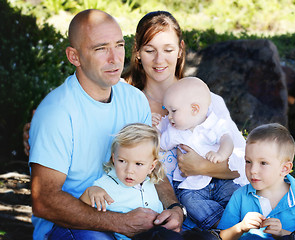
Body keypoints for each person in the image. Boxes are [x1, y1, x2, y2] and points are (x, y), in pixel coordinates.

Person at [29, 9, 183, 240]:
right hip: (73, 226)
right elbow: (45, 201)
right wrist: (119, 223)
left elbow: (152, 165)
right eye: (101, 48)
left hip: (130, 215)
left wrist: (173, 208)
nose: (115, 58)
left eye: (119, 45)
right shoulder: (56, 112)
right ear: (74, 57)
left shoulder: (134, 99)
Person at [123, 10, 248, 187]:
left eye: (168, 50)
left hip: (208, 204)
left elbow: (247, 164)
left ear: (180, 50)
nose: (159, 60)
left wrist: (203, 167)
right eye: (150, 50)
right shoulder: (127, 103)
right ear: (137, 52)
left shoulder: (207, 102)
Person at [217, 123, 295, 240]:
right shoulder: (240, 196)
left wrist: (282, 233)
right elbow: (223, 237)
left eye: (263, 163)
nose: (253, 170)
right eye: (248, 161)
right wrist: (240, 227)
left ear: (285, 169)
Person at [159, 76, 241, 229]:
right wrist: (155, 128)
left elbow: (227, 139)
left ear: (194, 109)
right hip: (192, 185)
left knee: (236, 194)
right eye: (167, 111)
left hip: (221, 180)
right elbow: (160, 145)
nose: (169, 116)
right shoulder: (174, 131)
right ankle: (221, 226)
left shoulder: (214, 123)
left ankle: (241, 222)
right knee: (190, 203)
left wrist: (221, 154)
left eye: (173, 111)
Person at [80, 123, 165, 240]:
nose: (129, 170)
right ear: (113, 158)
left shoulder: (150, 182)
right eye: (122, 161)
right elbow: (82, 208)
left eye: (138, 164)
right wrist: (91, 191)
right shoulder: (104, 185)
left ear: (151, 166)